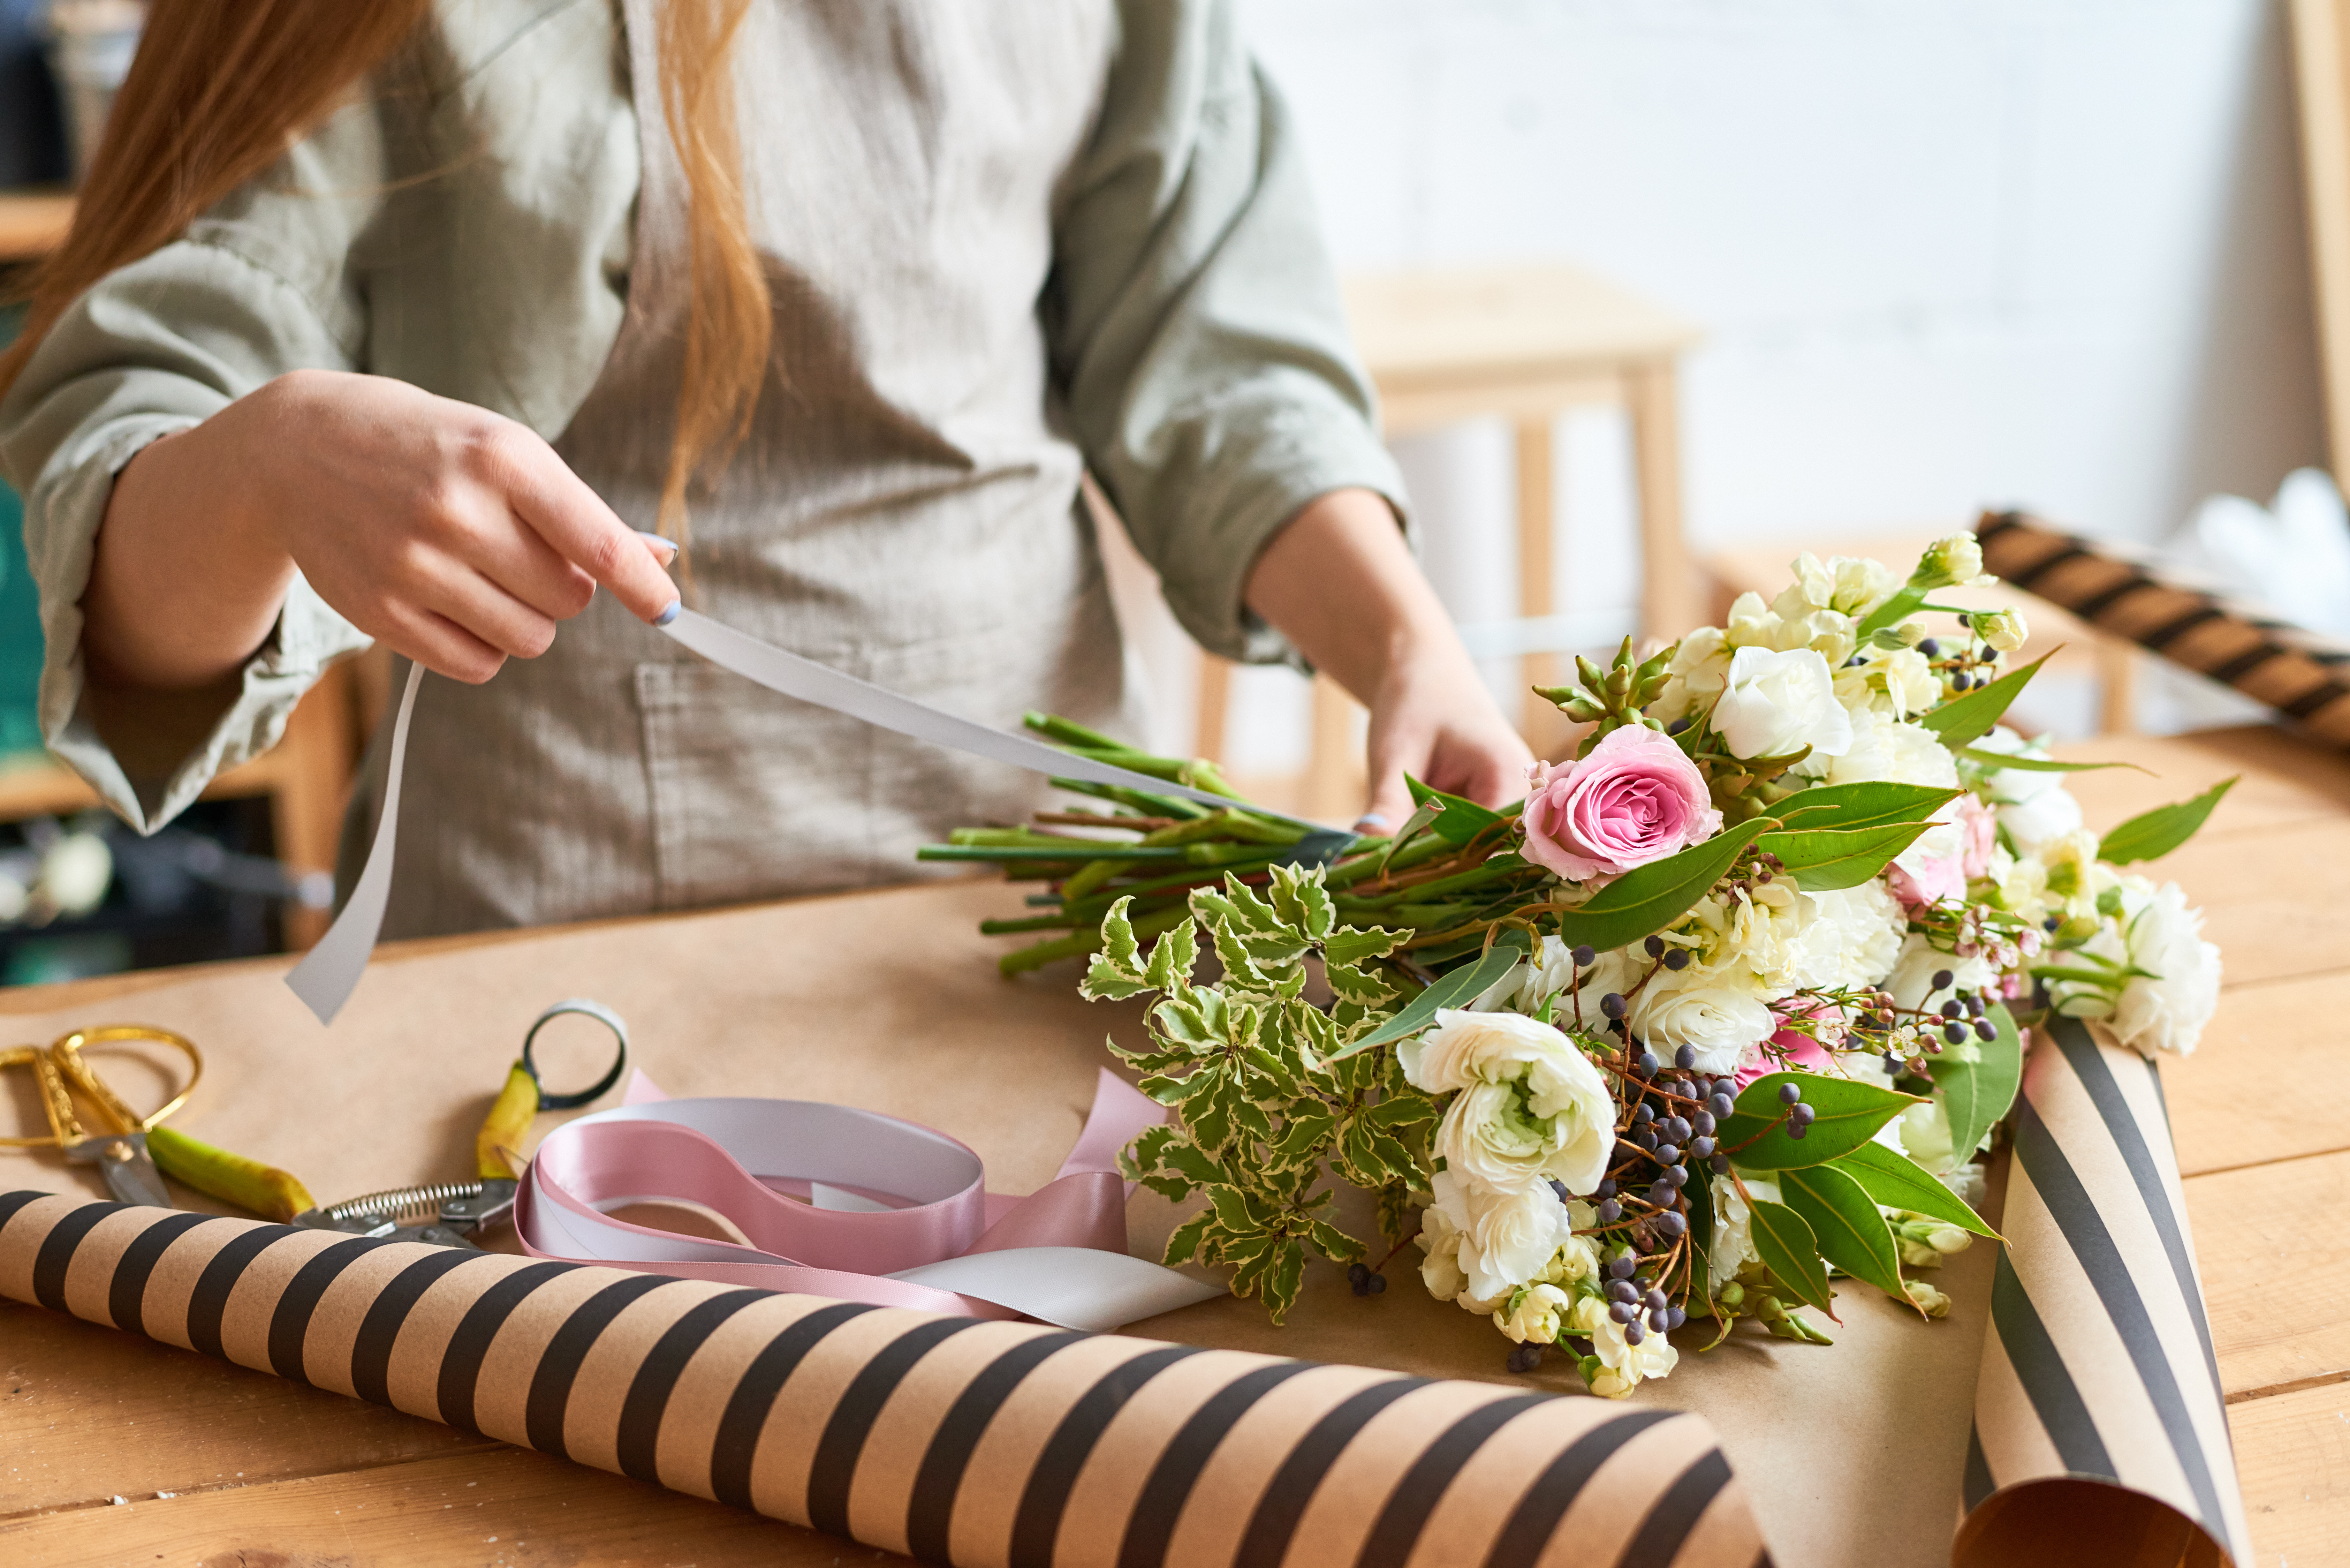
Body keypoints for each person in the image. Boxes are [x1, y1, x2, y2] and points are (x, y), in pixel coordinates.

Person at [0, 0, 1531, 939]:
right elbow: (129, 581)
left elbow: (1210, 354)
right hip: (555, 933)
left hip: (1056, 906)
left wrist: (1407, 646)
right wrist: (265, 467)